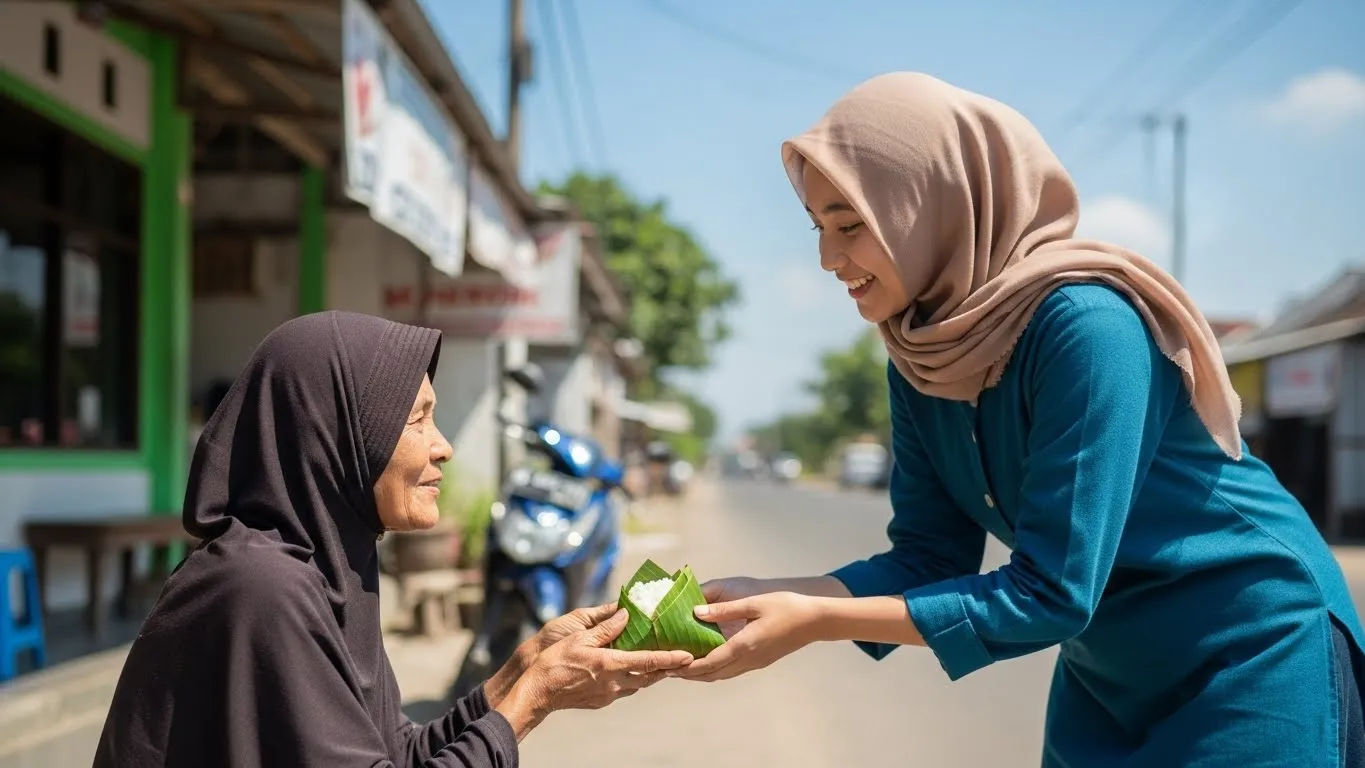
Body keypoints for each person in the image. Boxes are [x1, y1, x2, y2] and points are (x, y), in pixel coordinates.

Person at [679, 73, 1365, 766]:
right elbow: (926, 558)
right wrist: (771, 595)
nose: (829, 259)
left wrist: (815, 620)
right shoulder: (920, 354)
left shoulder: (1086, 326)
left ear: (934, 205)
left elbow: (1050, 593)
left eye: (850, 224)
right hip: (1109, 674)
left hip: (1248, 652)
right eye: (818, 228)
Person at [95, 312, 690, 767]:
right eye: (415, 420)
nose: (443, 445)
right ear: (336, 438)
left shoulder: (332, 571)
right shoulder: (259, 588)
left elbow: (395, 752)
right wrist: (531, 700)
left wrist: (521, 670)